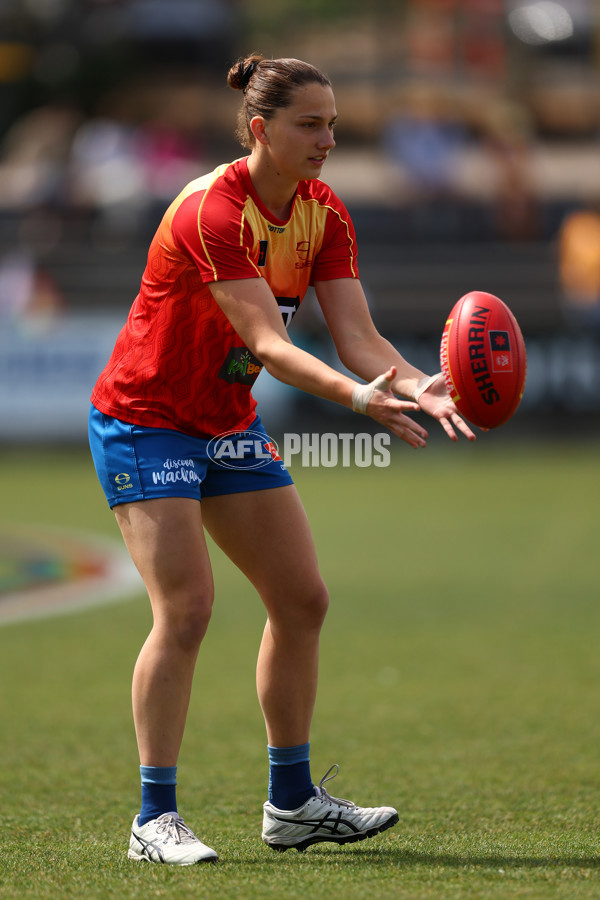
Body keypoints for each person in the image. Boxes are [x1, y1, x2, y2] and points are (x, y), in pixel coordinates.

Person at [88, 54, 477, 866]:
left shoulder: (323, 211)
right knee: (187, 610)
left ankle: (293, 804)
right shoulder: (212, 211)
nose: (327, 139)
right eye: (310, 124)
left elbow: (359, 337)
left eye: (332, 124)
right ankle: (152, 820)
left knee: (302, 600)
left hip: (225, 420)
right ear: (261, 129)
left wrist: (419, 384)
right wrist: (360, 399)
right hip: (145, 419)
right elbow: (268, 342)